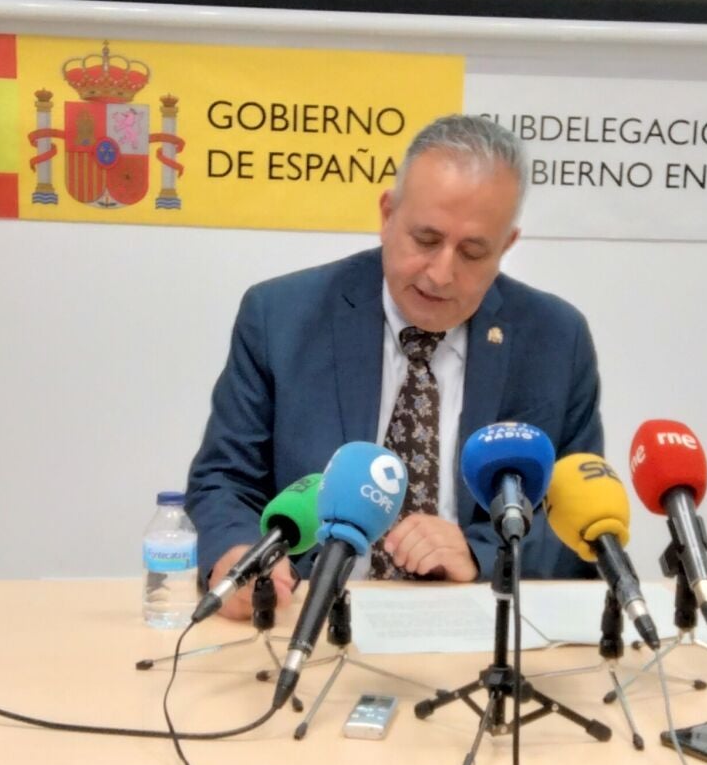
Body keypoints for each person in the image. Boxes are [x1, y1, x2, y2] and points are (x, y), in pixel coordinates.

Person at [185, 114, 605, 621]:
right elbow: (224, 479)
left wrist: (478, 554)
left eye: (473, 252)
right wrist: (238, 553)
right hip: (308, 614)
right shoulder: (282, 317)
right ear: (388, 214)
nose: (441, 273)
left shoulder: (555, 340)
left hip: (476, 620)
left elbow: (576, 520)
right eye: (426, 240)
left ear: (507, 245)